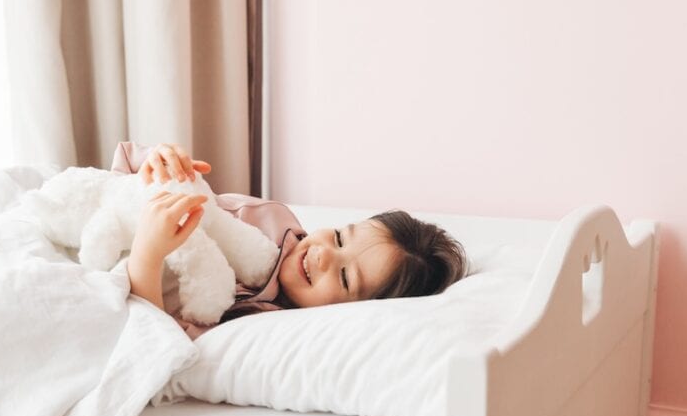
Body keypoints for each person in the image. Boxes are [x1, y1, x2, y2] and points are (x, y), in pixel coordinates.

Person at [113, 142, 467, 338]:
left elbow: (158, 341)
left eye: (345, 277)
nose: (325, 255)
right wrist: (158, 164)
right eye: (341, 237)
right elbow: (122, 185)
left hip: (124, 290)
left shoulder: (265, 323)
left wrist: (147, 254)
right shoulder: (270, 218)